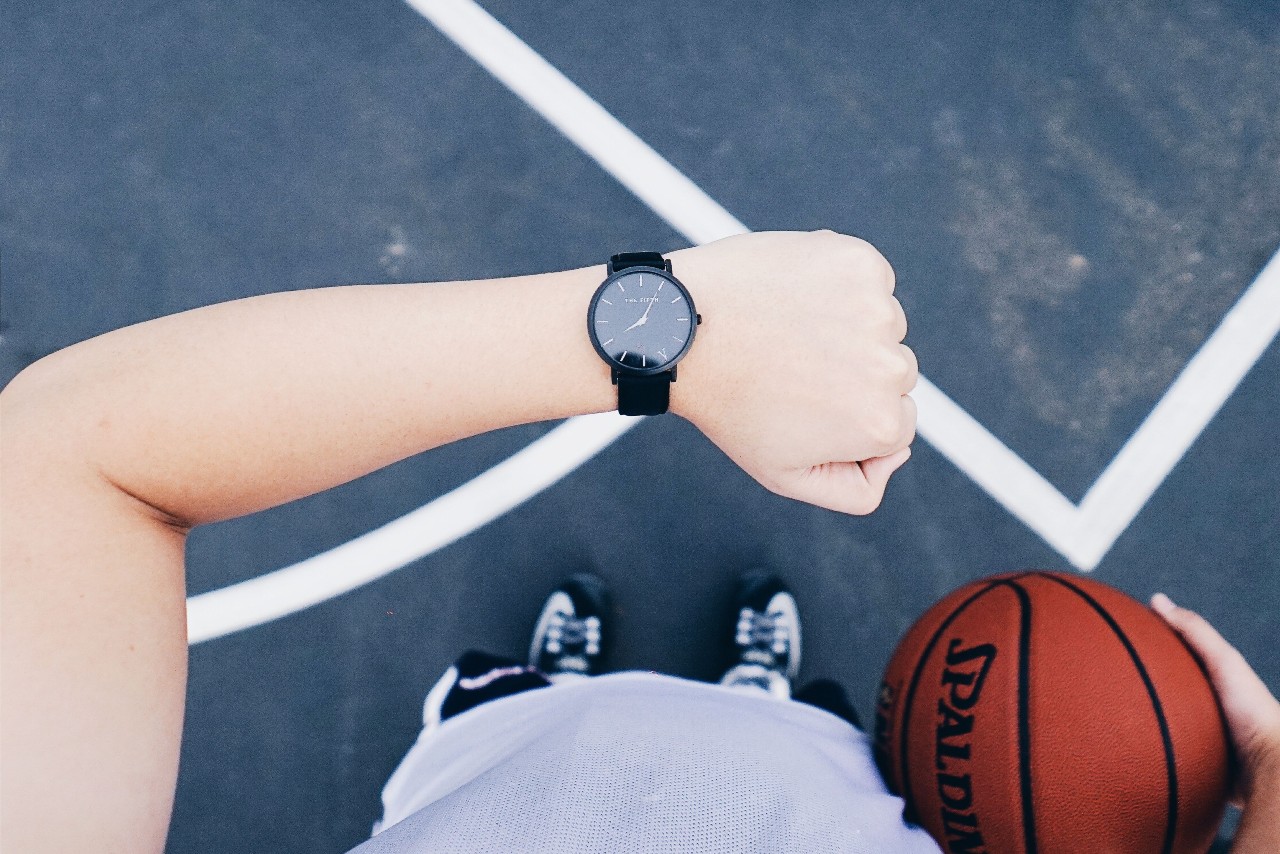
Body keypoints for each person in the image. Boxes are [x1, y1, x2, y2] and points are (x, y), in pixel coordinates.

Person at [0, 231, 1275, 851]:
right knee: (776, 741)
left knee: (542, 732)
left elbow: (71, 461)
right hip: (803, 796)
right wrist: (664, 327)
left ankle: (569, 686)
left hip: (520, 771)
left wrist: (672, 332)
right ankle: (753, 696)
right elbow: (71, 459)